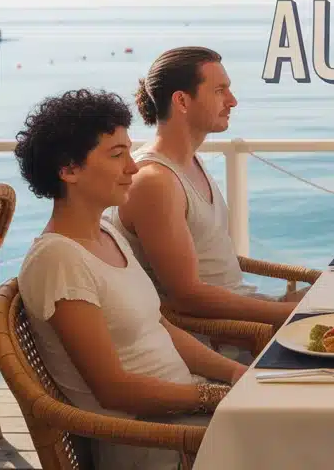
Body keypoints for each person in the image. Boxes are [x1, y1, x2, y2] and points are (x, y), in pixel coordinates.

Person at [14, 89, 246, 470]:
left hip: (183, 417)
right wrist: (210, 396)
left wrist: (234, 373)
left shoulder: (107, 233)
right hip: (150, 442)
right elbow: (113, 389)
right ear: (68, 170)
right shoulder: (58, 260)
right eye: (116, 155)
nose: (133, 168)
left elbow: (160, 327)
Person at [105, 47, 307, 363]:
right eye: (219, 90)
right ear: (182, 101)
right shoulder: (155, 182)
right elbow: (187, 297)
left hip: (247, 318)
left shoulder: (188, 163)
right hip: (226, 341)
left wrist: (288, 305)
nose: (232, 101)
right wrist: (289, 313)